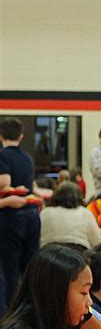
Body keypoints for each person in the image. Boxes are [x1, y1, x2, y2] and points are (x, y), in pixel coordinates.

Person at [0, 117, 40, 315]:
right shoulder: (27, 158)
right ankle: (30, 312)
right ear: (21, 136)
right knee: (29, 269)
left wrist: (9, 194)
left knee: (9, 270)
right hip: (31, 215)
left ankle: (10, 315)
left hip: (10, 218)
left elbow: (4, 182)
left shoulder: (3, 157)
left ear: (1, 136)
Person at [40, 182, 101, 250]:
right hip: (78, 255)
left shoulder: (45, 213)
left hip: (48, 255)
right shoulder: (85, 213)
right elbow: (98, 243)